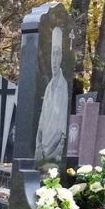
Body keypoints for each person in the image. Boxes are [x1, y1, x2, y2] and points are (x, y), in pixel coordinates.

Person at [34, 26, 69, 168]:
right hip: (43, 147)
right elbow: (42, 120)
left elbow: (60, 127)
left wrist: (47, 149)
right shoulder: (49, 87)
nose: (54, 60)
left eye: (57, 54)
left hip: (52, 151)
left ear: (61, 57)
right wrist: (38, 144)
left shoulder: (63, 86)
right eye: (52, 55)